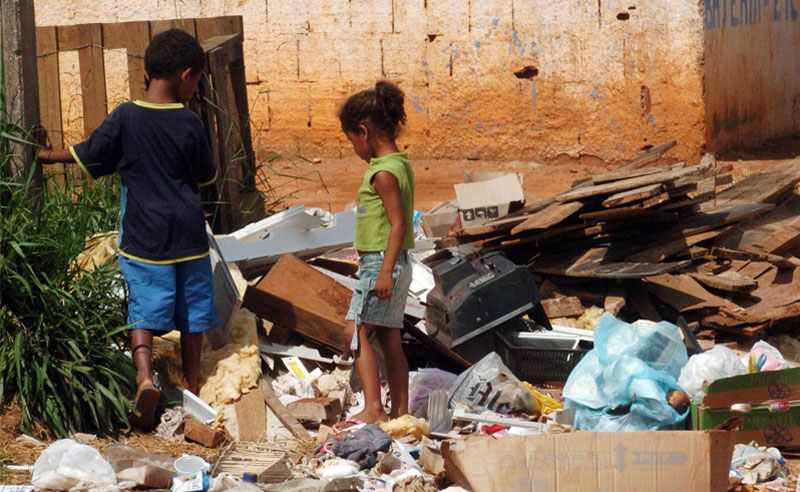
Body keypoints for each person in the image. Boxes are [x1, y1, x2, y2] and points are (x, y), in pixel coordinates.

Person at [38, 29, 220, 429]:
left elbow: (90, 153)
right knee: (192, 312)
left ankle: (142, 377)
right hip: (188, 237)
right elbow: (206, 175)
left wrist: (47, 154)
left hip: (144, 238)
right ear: (187, 74)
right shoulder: (189, 122)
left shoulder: (125, 116)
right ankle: (194, 385)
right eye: (198, 80)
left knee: (144, 307)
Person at [338, 81, 415, 426]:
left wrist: (383, 272)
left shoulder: (382, 173)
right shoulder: (400, 163)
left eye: (351, 140)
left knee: (354, 332)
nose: (354, 147)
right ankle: (401, 412)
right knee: (390, 337)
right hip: (396, 263)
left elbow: (397, 224)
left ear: (364, 132)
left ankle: (373, 407)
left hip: (382, 263)